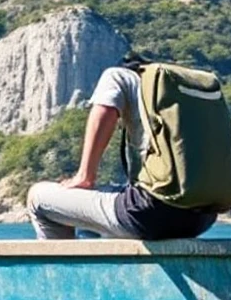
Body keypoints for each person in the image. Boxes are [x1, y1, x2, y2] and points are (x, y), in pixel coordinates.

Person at [26, 64, 218, 240]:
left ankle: (65, 276)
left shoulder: (125, 78)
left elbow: (106, 110)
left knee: (38, 198)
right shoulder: (181, 101)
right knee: (90, 213)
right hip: (201, 219)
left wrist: (85, 176)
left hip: (149, 215)